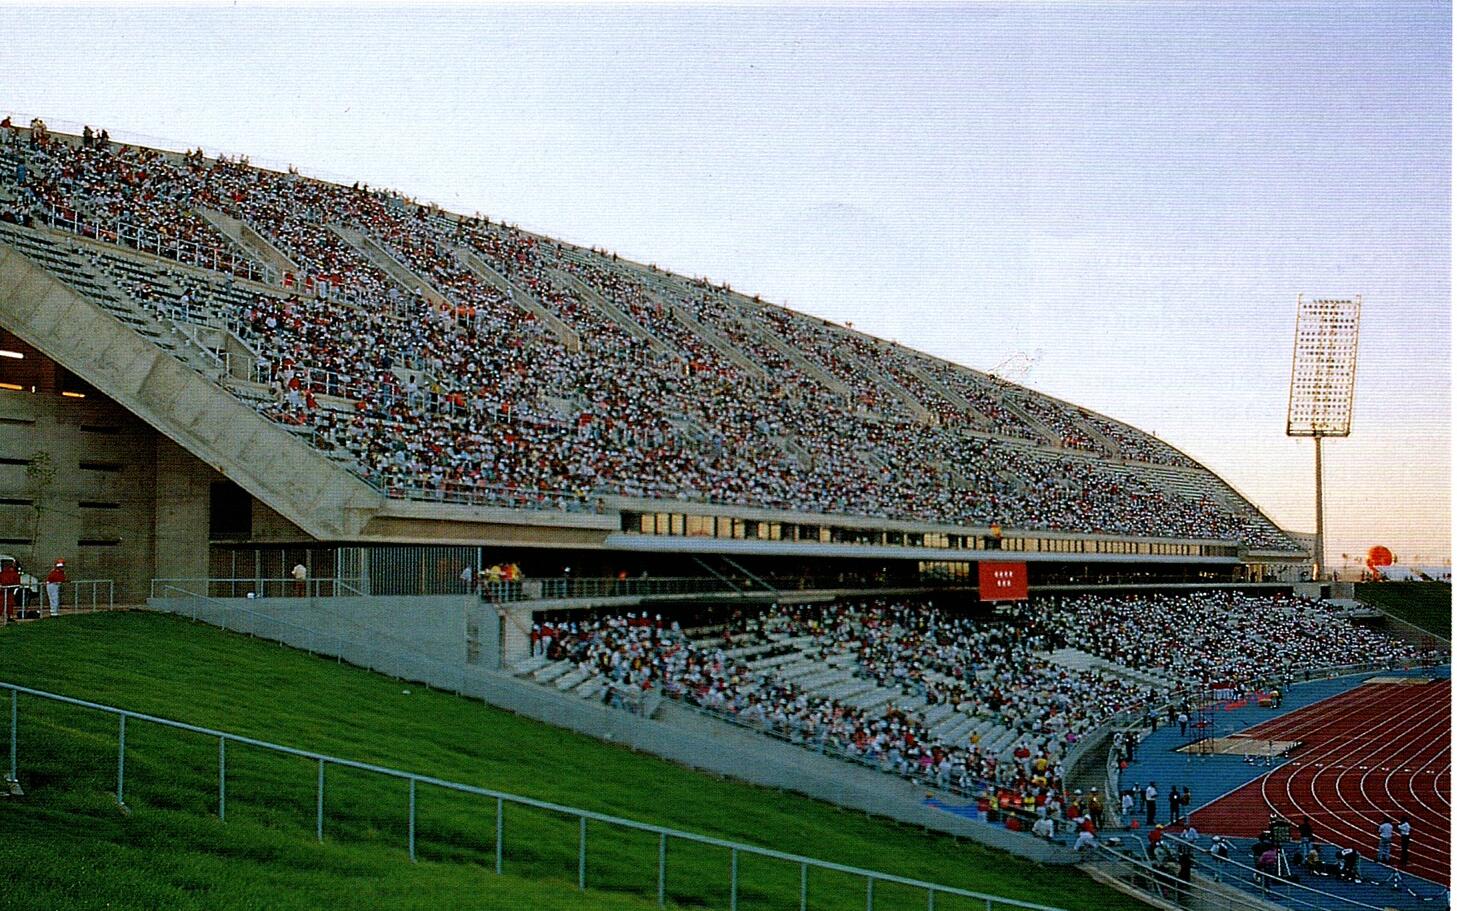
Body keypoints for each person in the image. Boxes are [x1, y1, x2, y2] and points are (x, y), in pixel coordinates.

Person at [0, 558, 19, 623]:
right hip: (3, 591)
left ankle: (9, 616)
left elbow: (16, 583)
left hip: (8, 591)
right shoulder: (4, 573)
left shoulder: (12, 573)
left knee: (8, 604)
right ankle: (8, 616)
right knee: (4, 603)